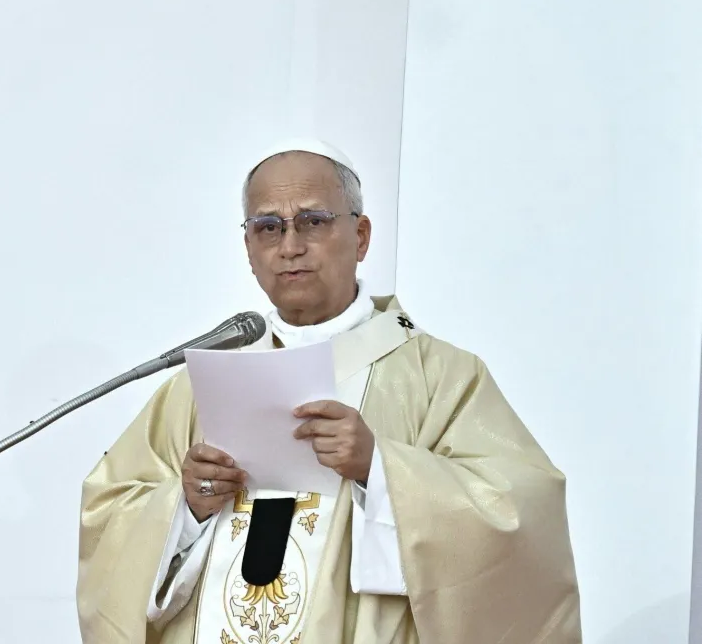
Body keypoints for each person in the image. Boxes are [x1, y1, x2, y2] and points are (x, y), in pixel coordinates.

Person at [77, 139, 580, 642]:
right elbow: (111, 511)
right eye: (268, 226)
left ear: (360, 236)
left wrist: (381, 469)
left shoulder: (440, 376)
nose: (289, 246)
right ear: (249, 247)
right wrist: (185, 508)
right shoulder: (197, 384)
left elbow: (522, 516)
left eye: (313, 221)